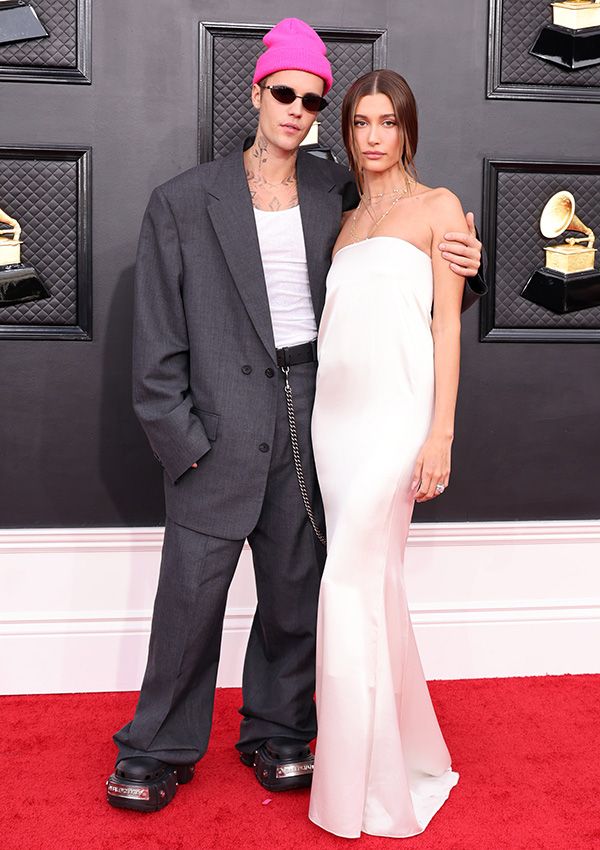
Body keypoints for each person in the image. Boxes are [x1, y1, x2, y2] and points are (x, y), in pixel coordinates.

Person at [106, 20, 483, 813]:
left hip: (316, 417)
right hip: (215, 425)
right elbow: (156, 341)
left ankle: (278, 731)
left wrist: (466, 263)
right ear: (256, 92)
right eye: (286, 93)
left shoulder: (332, 191)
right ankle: (156, 746)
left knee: (292, 594)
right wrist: (182, 440)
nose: (298, 111)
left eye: (313, 102)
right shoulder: (181, 201)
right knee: (189, 601)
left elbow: (394, 251)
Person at [309, 70, 465, 838]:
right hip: (332, 424)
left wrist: (440, 432)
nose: (372, 135)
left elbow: (444, 326)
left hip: (397, 420)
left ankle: (360, 788)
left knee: (347, 586)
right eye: (360, 121)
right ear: (347, 132)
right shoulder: (342, 222)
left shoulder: (438, 209)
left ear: (407, 129)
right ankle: (398, 753)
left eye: (386, 121)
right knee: (371, 587)